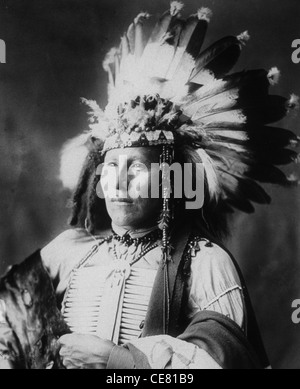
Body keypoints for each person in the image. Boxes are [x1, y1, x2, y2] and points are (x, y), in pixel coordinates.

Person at [0, 2, 299, 369]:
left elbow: (228, 362)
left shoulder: (204, 263)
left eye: (136, 168)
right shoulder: (70, 252)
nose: (119, 182)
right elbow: (8, 318)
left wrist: (120, 360)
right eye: (111, 167)